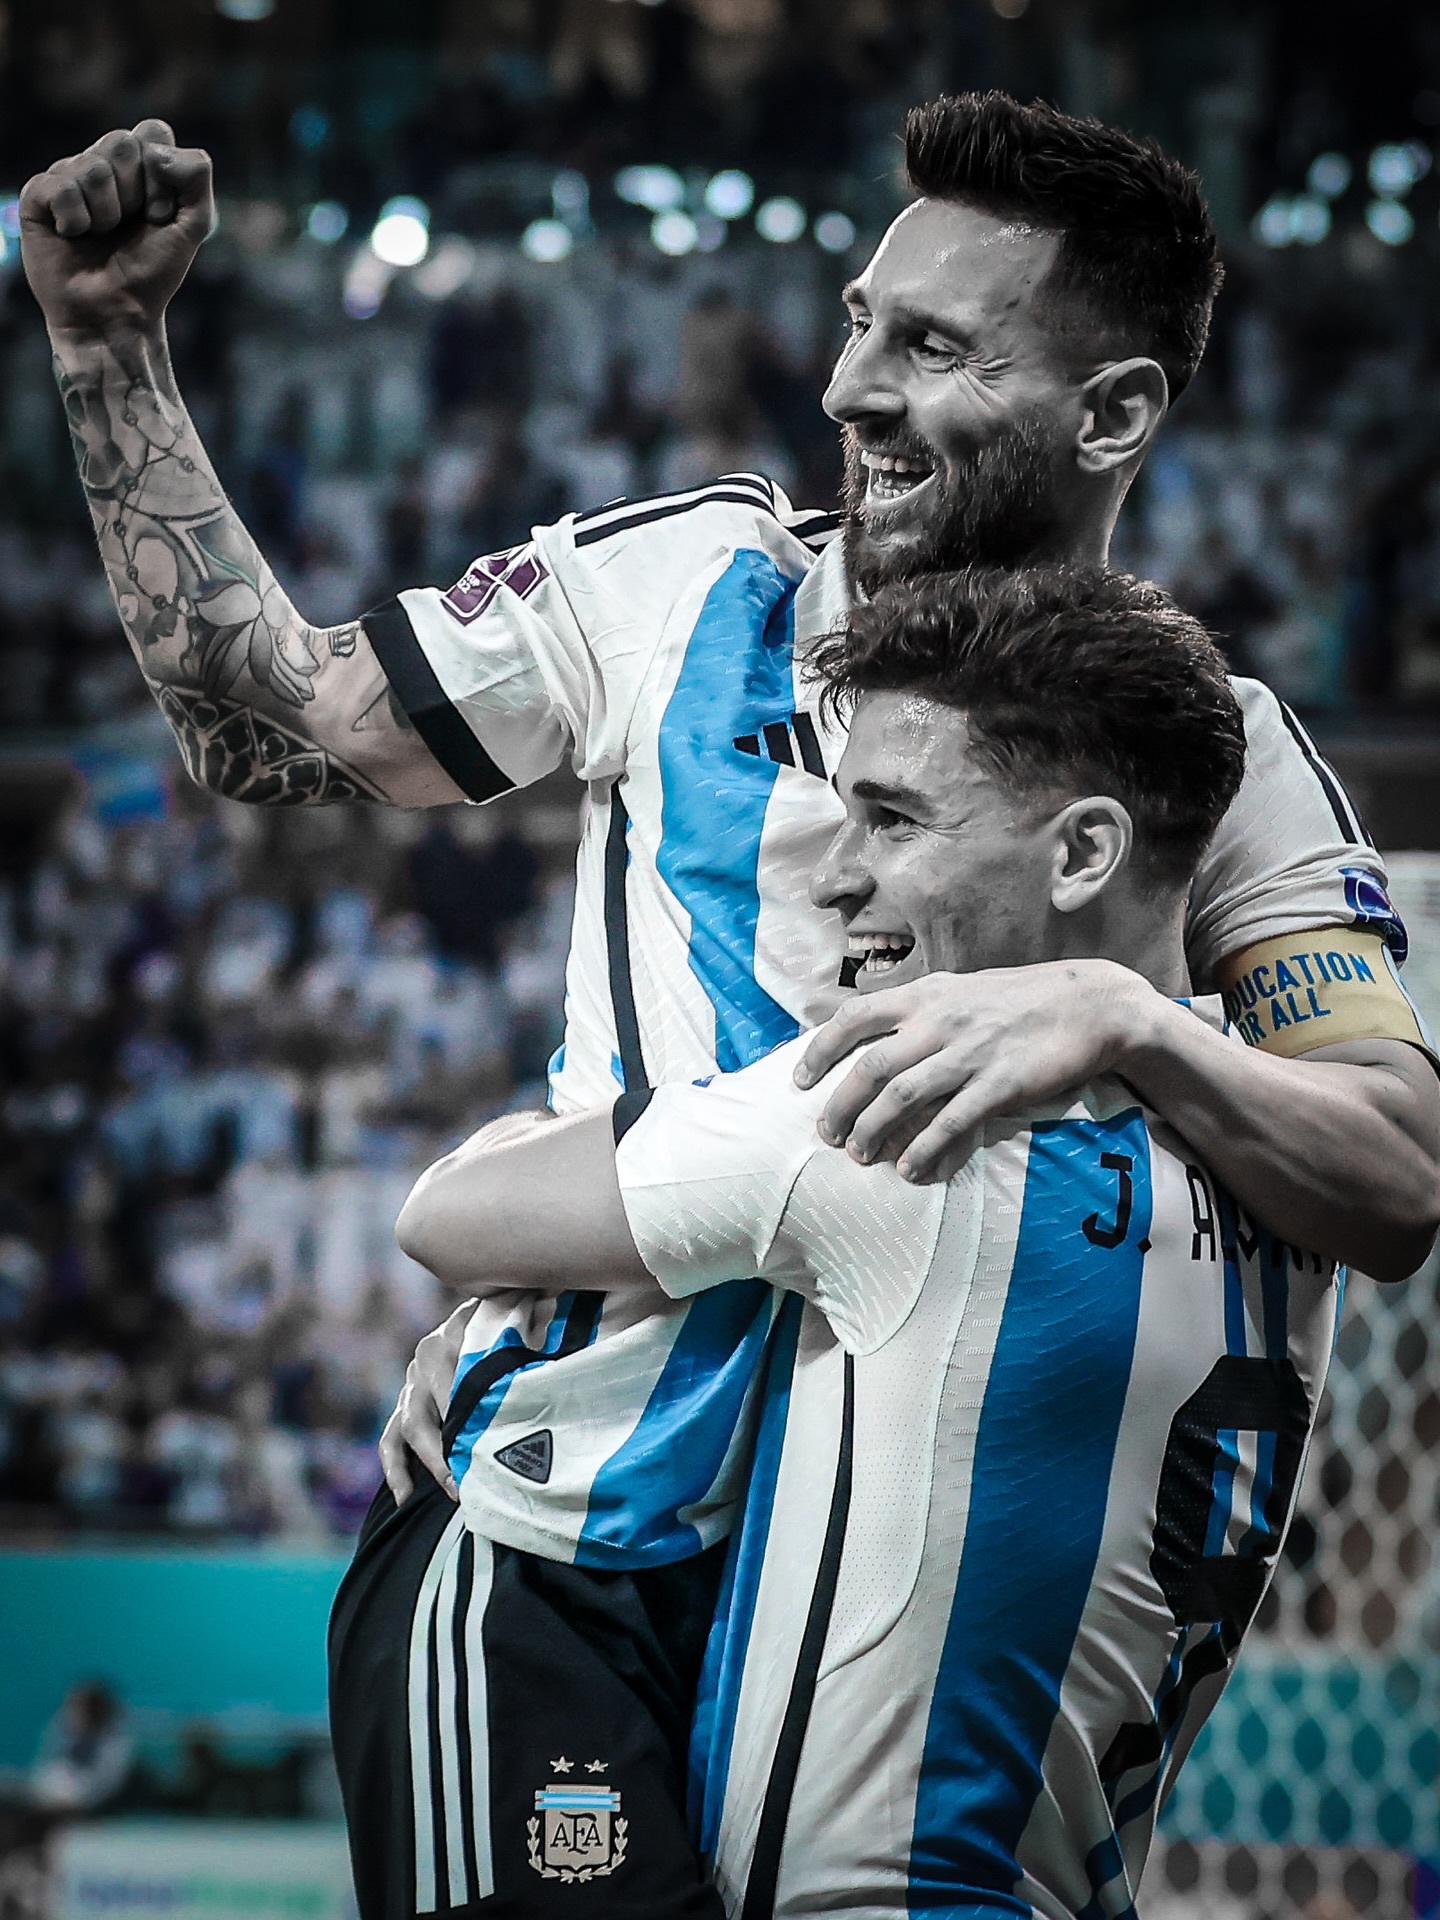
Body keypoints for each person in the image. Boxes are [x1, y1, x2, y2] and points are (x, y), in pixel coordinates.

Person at [19, 91, 1438, 1916]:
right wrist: (109, 349)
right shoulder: (687, 582)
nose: (852, 386)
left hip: (883, 1621)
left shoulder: (1202, 753)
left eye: (934, 347)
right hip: (576, 1542)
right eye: (859, 322)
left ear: (1113, 415)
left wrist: (1134, 1019)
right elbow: (268, 720)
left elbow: (1393, 1171)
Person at [394, 566, 1340, 1918]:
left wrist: (519, 1271)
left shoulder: (901, 1122)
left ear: (1082, 855)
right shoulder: (1287, 1162)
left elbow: (445, 1217)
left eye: (891, 819)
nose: (836, 877)